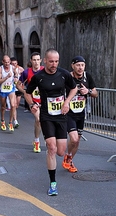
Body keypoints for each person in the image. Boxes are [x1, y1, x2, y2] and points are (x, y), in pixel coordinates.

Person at [24, 48, 77, 196]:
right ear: (45, 61)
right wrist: (32, 105)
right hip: (46, 116)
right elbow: (28, 93)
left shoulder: (64, 74)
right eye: (51, 61)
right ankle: (53, 184)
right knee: (52, 148)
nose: (54, 64)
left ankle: (55, 153)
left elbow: (73, 89)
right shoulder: (39, 77)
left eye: (56, 61)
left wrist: (66, 102)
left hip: (61, 116)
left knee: (61, 151)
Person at [62, 56, 98, 173]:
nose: (80, 67)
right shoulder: (67, 77)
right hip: (69, 113)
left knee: (77, 141)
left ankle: (70, 159)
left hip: (81, 113)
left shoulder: (87, 77)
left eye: (82, 65)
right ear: (72, 66)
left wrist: (88, 91)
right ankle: (68, 156)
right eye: (78, 65)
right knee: (74, 138)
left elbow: (95, 93)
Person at [16, 52, 44, 152]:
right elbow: (18, 85)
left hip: (45, 101)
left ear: (41, 60)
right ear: (31, 61)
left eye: (38, 60)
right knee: (38, 119)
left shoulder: (45, 70)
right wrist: (26, 92)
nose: (36, 62)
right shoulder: (26, 72)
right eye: (34, 60)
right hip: (33, 101)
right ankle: (37, 141)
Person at [0, 55, 17, 131]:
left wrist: (15, 78)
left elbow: (16, 75)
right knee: (3, 107)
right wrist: (7, 77)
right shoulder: (0, 69)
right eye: (5, 62)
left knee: (13, 105)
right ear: (3, 62)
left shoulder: (13, 68)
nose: (7, 64)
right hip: (3, 90)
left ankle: (10, 123)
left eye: (8, 62)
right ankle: (2, 120)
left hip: (11, 89)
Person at [11, 57, 25, 128]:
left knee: (17, 105)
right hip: (12, 89)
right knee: (14, 105)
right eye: (12, 63)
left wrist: (23, 84)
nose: (14, 65)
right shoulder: (8, 69)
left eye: (15, 63)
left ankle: (13, 114)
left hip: (18, 88)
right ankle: (15, 120)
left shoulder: (21, 69)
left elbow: (25, 77)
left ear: (17, 63)